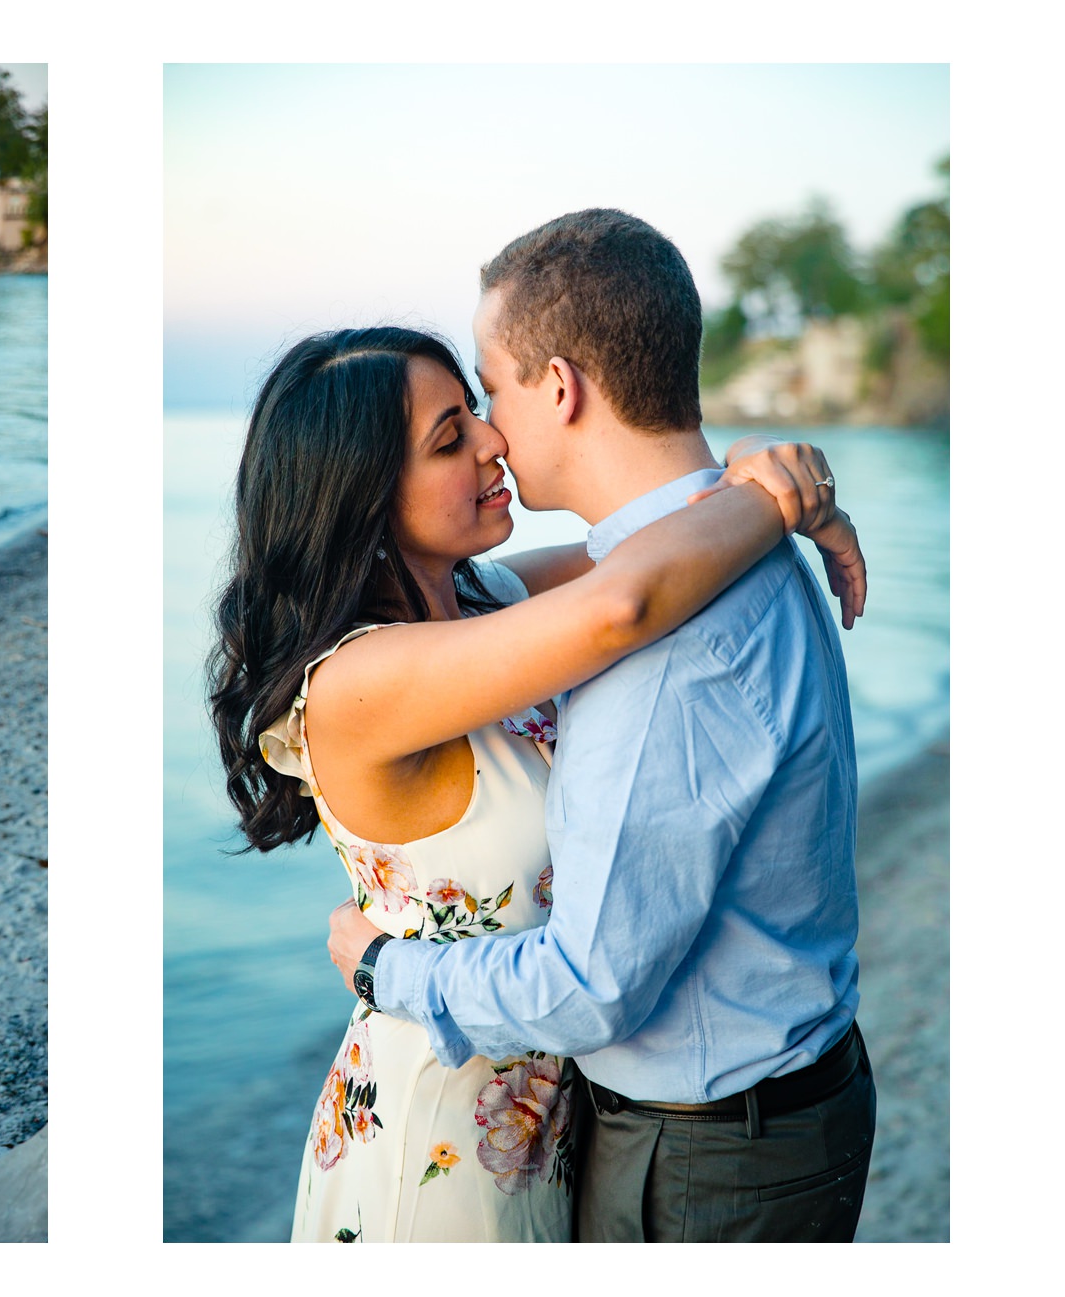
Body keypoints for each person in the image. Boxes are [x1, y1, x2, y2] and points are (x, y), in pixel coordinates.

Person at [209, 318, 864, 1242]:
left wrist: (766, 468)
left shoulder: (487, 605)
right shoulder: (355, 682)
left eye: (475, 411)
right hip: (441, 1126)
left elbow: (654, 543)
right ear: (360, 497)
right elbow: (623, 603)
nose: (491, 441)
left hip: (556, 1111)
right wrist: (776, 501)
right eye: (449, 439)